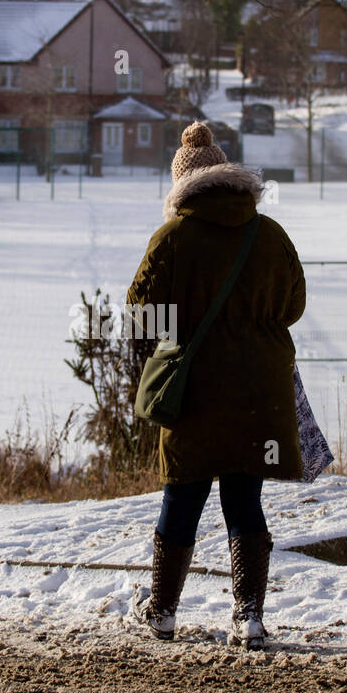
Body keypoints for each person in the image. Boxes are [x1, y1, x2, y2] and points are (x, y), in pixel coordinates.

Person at [126, 122, 305, 650]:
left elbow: (141, 319)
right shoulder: (269, 235)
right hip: (260, 390)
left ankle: (161, 612)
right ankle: (247, 617)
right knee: (244, 497)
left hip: (195, 390)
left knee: (183, 494)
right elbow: (292, 307)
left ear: (181, 187)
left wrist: (184, 321)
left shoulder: (173, 238)